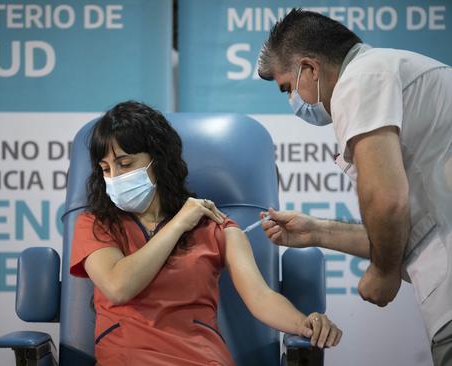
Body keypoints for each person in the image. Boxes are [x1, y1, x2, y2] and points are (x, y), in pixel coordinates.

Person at [69, 100, 341, 365]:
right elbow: (119, 287)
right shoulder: (96, 224)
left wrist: (305, 324)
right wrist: (178, 224)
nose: (114, 178)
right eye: (105, 169)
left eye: (125, 164)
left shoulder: (216, 227)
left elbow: (261, 298)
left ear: (159, 161)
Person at [257, 8, 452, 365]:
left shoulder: (360, 78)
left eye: (288, 87)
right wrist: (317, 231)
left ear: (310, 68)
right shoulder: (383, 73)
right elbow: (398, 232)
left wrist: (383, 272)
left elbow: (387, 201)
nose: (292, 102)